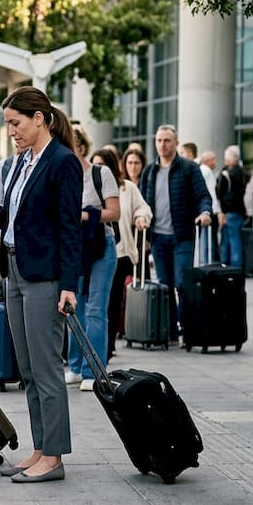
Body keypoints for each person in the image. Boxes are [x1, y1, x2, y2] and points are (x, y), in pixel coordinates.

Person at [0, 86, 82, 483]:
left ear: (39, 118)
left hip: (45, 277)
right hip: (14, 269)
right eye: (8, 125)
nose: (12, 132)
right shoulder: (22, 161)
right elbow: (21, 217)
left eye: (16, 123)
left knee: (47, 367)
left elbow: (70, 229)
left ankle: (54, 458)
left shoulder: (63, 162)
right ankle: (40, 448)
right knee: (28, 370)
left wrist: (69, 285)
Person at [138, 125, 213, 342]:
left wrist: (205, 213)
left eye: (167, 140)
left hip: (182, 236)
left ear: (176, 143)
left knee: (182, 283)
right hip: (158, 237)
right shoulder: (149, 171)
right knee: (165, 285)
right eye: (159, 140)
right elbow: (142, 202)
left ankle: (186, 329)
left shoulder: (189, 168)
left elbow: (202, 196)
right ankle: (170, 331)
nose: (163, 144)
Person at [64, 126, 119, 392]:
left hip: (100, 246)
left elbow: (114, 212)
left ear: (82, 148)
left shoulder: (100, 173)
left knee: (96, 309)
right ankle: (75, 366)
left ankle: (94, 370)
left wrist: (83, 215)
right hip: (74, 248)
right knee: (74, 307)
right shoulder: (62, 176)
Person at [91, 147, 152, 360]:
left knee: (113, 302)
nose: (99, 169)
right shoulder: (88, 186)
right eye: (95, 164)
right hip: (94, 252)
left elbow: (143, 208)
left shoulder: (127, 188)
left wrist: (141, 218)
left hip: (121, 252)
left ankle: (107, 348)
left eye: (103, 164)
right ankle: (95, 349)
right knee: (97, 303)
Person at [216, 145, 249, 268]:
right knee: (235, 238)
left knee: (228, 239)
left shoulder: (226, 173)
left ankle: (228, 264)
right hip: (239, 210)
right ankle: (235, 265)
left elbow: (219, 193)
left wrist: (222, 210)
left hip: (229, 210)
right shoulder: (243, 172)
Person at [197, 149, 223, 260]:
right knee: (209, 240)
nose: (215, 163)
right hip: (209, 210)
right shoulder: (206, 171)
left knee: (205, 239)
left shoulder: (199, 170)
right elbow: (212, 193)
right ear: (209, 160)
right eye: (214, 160)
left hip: (202, 209)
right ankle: (208, 262)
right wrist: (218, 211)